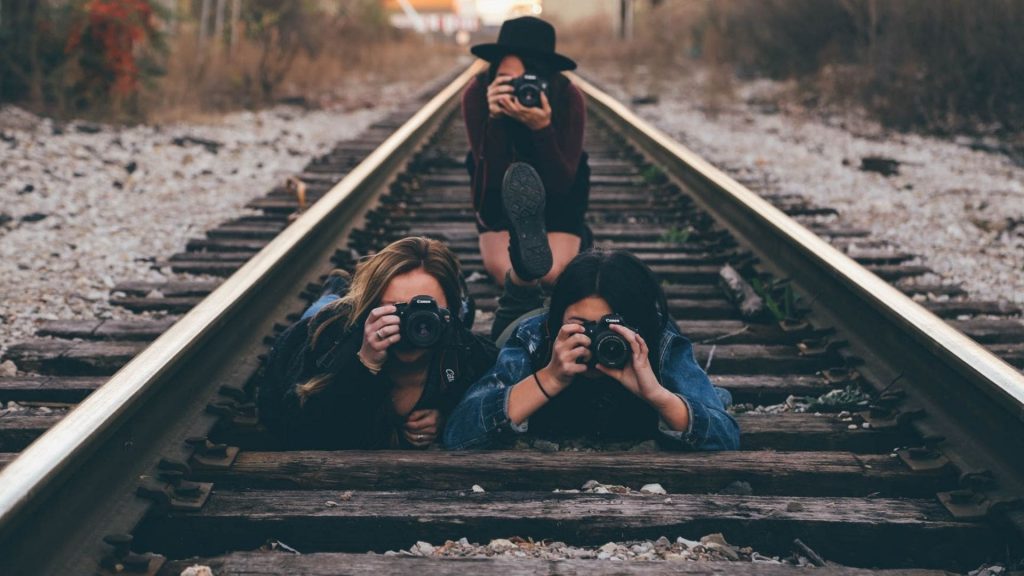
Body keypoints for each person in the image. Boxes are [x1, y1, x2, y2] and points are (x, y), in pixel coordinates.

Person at [443, 251, 740, 451]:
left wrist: (656, 394)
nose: (599, 340)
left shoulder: (661, 341)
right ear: (556, 321)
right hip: (522, 324)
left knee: (711, 396)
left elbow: (725, 437)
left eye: (612, 328)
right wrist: (550, 377)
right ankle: (522, 285)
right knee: (504, 335)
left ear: (638, 325)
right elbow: (459, 433)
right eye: (580, 326)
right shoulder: (536, 335)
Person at [258, 237, 498, 450]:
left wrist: (447, 416)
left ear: (450, 313)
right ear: (371, 310)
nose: (415, 324)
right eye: (395, 308)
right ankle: (336, 288)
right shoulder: (330, 338)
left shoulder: (460, 344)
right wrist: (364, 364)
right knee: (324, 307)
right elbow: (293, 430)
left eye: (427, 307)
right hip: (335, 318)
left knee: (462, 312)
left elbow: (501, 393)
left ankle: (461, 303)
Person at [463, 16, 590, 288]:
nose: (518, 88)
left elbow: (561, 185)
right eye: (507, 79)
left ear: (544, 78)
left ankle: (572, 235)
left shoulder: (568, 97)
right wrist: (495, 121)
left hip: (559, 194)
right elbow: (493, 182)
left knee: (553, 275)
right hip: (497, 197)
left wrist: (542, 129)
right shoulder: (477, 93)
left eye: (526, 80)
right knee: (513, 278)